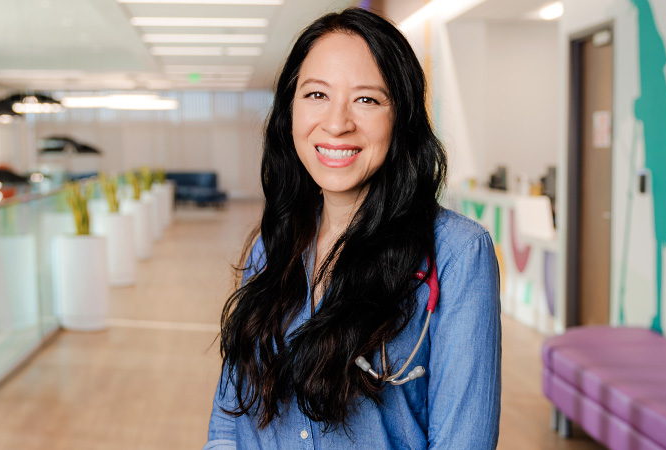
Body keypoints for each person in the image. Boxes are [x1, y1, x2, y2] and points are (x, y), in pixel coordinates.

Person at [203, 7, 501, 449]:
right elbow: (231, 419)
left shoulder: (458, 254)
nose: (338, 123)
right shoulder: (273, 244)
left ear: (401, 117)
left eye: (367, 99)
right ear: (289, 109)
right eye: (316, 95)